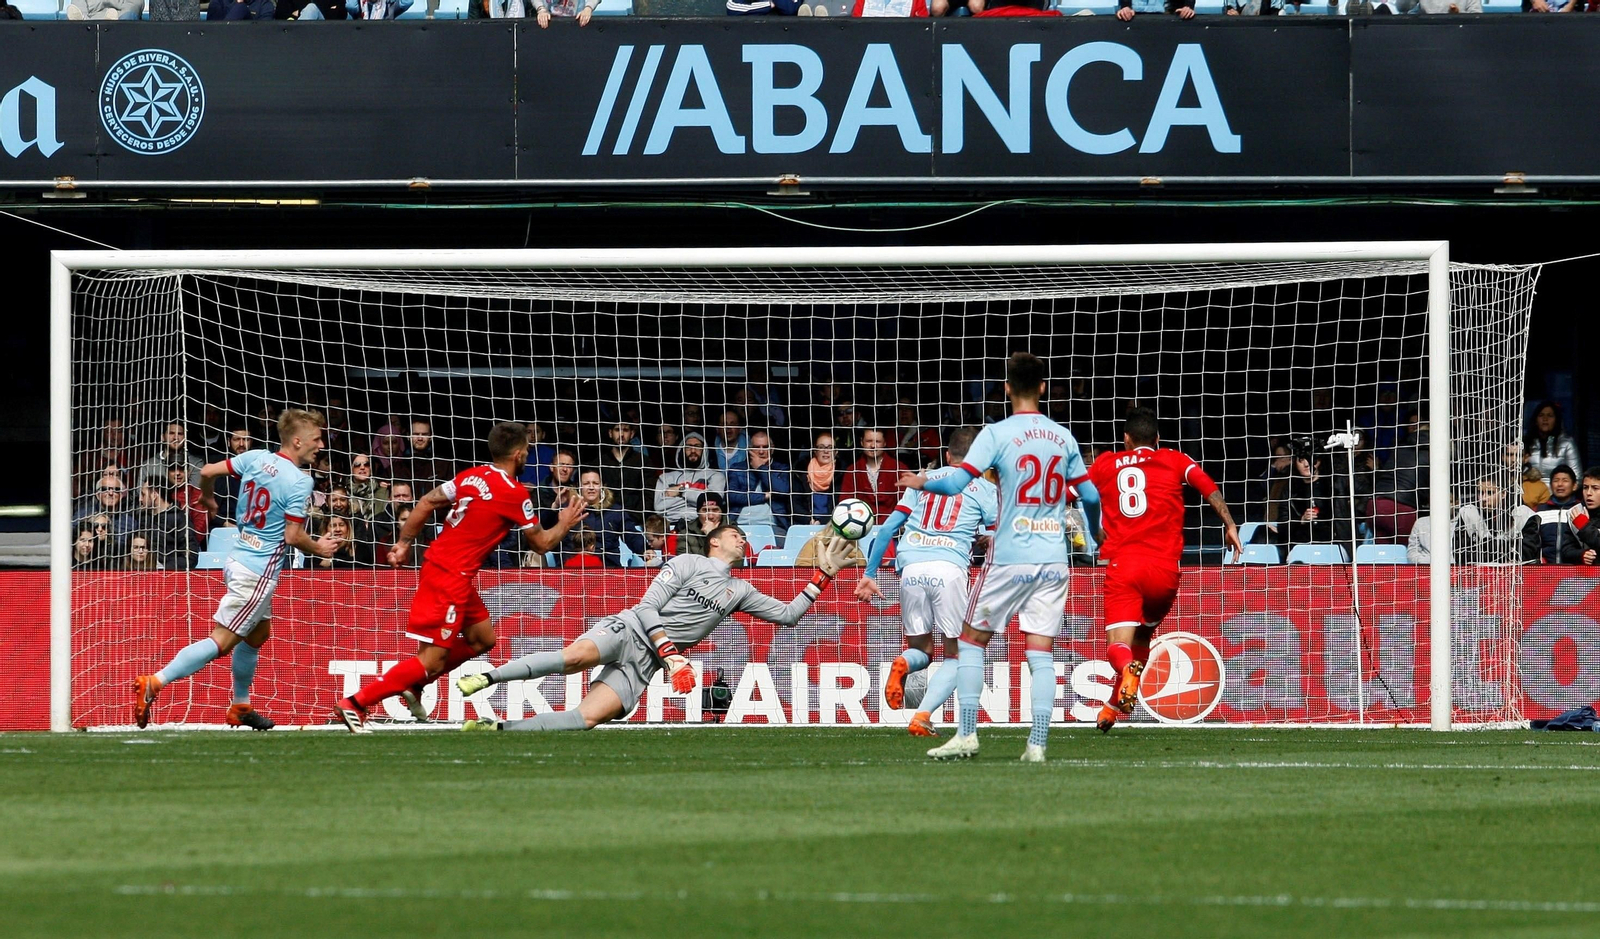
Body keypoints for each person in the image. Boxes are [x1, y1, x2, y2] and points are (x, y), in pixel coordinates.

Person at [456, 525, 854, 732]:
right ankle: (487, 678)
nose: (742, 539)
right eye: (735, 534)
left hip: (646, 663)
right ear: (715, 543)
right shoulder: (687, 563)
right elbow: (647, 607)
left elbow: (788, 615)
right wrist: (670, 653)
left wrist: (823, 576)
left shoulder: (740, 590)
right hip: (629, 630)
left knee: (586, 718)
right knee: (573, 658)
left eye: (743, 537)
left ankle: (498, 728)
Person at [899, 352, 1098, 763]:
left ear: (1007, 388)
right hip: (1052, 560)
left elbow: (955, 483)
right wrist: (1095, 535)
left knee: (970, 642)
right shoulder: (1063, 437)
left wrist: (920, 481)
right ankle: (1037, 744)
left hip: (1008, 557)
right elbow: (1091, 495)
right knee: (1040, 652)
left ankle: (967, 735)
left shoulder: (996, 433)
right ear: (1043, 387)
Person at [334, 423, 586, 732]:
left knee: (482, 639)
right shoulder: (515, 493)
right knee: (431, 660)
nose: (527, 457)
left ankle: (415, 684)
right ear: (519, 454)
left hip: (450, 571)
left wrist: (403, 543)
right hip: (449, 576)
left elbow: (426, 501)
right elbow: (542, 544)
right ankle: (355, 703)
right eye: (527, 452)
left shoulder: (472, 476)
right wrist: (565, 522)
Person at [134, 409, 341, 732]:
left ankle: (241, 706)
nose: (321, 445)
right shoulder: (300, 481)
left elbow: (206, 470)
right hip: (258, 572)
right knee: (222, 641)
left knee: (258, 634)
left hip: (239, 557)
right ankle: (155, 681)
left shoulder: (255, 457)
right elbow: (293, 537)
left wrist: (208, 499)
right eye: (317, 439)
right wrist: (320, 548)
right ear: (298, 441)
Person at [1085, 407, 1243, 733]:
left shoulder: (1105, 464)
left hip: (1125, 565)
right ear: (1157, 439)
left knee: (1118, 645)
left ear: (1126, 439)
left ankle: (1126, 672)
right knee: (1144, 634)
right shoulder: (1174, 459)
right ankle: (1113, 707)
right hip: (1165, 570)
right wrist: (1229, 524)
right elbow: (1207, 486)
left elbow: (1076, 493)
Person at [856, 426, 998, 737]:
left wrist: (869, 574)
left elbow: (887, 529)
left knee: (921, 649)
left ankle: (904, 663)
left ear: (947, 455)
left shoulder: (923, 479)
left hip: (911, 568)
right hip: (949, 568)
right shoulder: (984, 488)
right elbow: (996, 531)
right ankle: (922, 715)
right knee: (959, 655)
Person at [565, 469, 644, 567]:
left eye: (595, 483)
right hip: (574, 568)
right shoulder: (568, 511)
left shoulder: (615, 511)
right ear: (578, 486)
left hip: (609, 568)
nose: (591, 487)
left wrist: (645, 550)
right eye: (586, 483)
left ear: (602, 485)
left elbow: (631, 534)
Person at [653, 432, 726, 529]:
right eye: (688, 447)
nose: (693, 450)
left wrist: (681, 491)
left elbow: (712, 503)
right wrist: (698, 499)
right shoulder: (665, 478)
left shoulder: (716, 476)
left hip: (702, 525)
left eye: (697, 446)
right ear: (681, 450)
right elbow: (659, 507)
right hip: (670, 526)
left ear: (704, 450)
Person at [727, 430, 792, 535]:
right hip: (739, 525)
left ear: (772, 449)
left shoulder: (782, 469)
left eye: (765, 447)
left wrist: (761, 468)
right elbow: (732, 496)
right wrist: (764, 496)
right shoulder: (737, 468)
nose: (761, 451)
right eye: (757, 447)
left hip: (773, 526)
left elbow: (783, 491)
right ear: (750, 449)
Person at [1521, 465, 1586, 564]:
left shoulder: (1581, 510)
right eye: (1556, 480)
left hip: (1575, 568)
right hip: (1544, 568)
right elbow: (1532, 541)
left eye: (1565, 480)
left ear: (1574, 486)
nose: (1560, 484)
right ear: (1550, 485)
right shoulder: (1538, 511)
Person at [841, 429, 905, 525]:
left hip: (892, 527)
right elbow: (845, 503)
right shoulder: (852, 471)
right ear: (862, 442)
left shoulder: (899, 469)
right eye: (869, 441)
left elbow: (906, 503)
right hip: (859, 527)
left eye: (877, 441)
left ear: (884, 443)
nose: (873, 446)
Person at [1525, 401, 1583, 488]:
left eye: (1550, 415)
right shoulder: (1526, 442)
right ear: (1535, 420)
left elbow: (1577, 478)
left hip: (1557, 494)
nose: (1545, 419)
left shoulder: (1567, 443)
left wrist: (1560, 493)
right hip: (1530, 493)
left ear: (1556, 420)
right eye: (1541, 415)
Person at [598, 420, 650, 516]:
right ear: (610, 433)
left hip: (635, 518)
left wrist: (636, 518)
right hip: (605, 517)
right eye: (617, 430)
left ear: (632, 434)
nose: (621, 434)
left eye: (625, 430)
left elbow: (648, 494)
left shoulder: (643, 462)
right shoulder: (599, 462)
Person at [802, 432, 839, 523]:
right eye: (821, 447)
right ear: (815, 451)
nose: (826, 451)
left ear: (836, 452)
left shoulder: (842, 474)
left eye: (830, 447)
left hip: (833, 523)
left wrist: (822, 521)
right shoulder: (801, 472)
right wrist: (809, 520)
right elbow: (796, 503)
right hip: (807, 523)